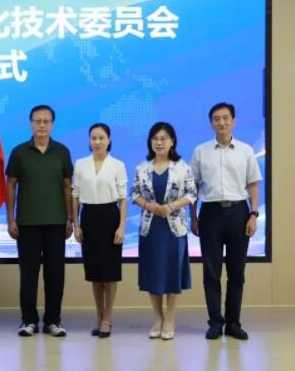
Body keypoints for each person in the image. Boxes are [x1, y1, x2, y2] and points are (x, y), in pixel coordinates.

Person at [190, 102, 262, 340]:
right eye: (216, 119)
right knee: (211, 272)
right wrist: (193, 216)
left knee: (236, 272)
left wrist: (253, 214)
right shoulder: (201, 152)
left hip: (239, 213)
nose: (221, 122)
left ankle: (233, 323)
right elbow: (193, 187)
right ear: (211, 123)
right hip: (210, 213)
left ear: (234, 121)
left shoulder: (245, 150)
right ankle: (215, 322)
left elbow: (253, 184)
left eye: (225, 118)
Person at [6, 104, 73, 338]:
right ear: (31, 123)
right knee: (29, 274)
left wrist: (70, 217)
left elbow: (67, 185)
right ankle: (29, 320)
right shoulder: (19, 152)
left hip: (56, 222)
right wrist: (10, 218)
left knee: (55, 274)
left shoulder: (62, 151)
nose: (42, 125)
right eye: (38, 121)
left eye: (46, 121)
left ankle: (53, 320)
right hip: (27, 223)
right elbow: (11, 185)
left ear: (52, 124)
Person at [131, 122, 196, 340]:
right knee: (154, 273)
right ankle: (158, 318)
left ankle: (170, 319)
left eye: (163, 138)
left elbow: (192, 193)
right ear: (150, 142)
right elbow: (134, 194)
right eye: (155, 138)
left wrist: (170, 206)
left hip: (174, 227)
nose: (159, 142)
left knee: (172, 273)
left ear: (172, 141)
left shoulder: (182, 166)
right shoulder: (142, 168)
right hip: (151, 228)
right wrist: (149, 206)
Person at [72, 123, 127, 338]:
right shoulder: (81, 164)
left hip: (110, 218)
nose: (97, 142)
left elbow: (123, 199)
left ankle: (108, 318)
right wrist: (76, 224)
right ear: (89, 140)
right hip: (89, 218)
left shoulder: (117, 165)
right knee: (95, 273)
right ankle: (99, 316)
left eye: (101, 138)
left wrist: (121, 226)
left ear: (109, 140)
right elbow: (75, 195)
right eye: (93, 138)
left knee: (110, 274)